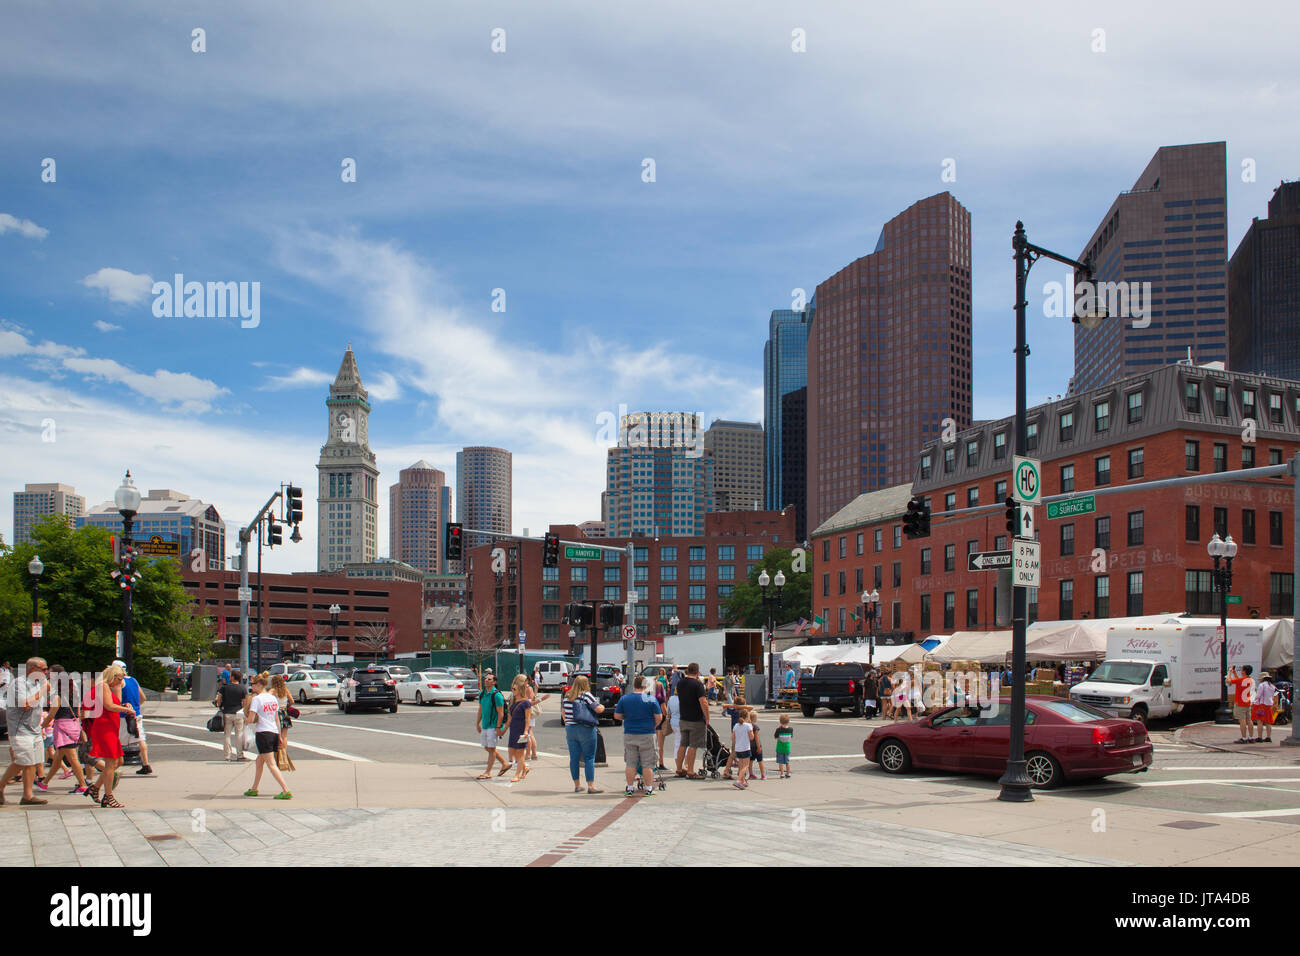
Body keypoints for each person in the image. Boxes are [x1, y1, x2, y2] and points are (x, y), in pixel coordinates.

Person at [1, 658, 51, 806]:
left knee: (33, 762)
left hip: (34, 729)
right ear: (32, 669)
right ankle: (1, 786)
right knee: (23, 761)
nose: (46, 672)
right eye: (43, 669)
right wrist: (43, 690)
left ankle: (27, 795)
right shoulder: (19, 683)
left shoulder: (37, 684)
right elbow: (25, 704)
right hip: (20, 729)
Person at [87, 663, 134, 808]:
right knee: (110, 763)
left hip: (110, 727)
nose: (121, 683)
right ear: (112, 676)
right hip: (104, 727)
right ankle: (108, 796)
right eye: (119, 679)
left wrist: (124, 705)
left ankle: (95, 788)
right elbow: (109, 706)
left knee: (117, 761)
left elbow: (116, 703)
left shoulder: (109, 687)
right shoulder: (103, 686)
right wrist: (128, 711)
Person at [39, 665, 90, 794]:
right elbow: (77, 711)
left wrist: (41, 727)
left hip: (63, 728)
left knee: (73, 758)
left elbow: (51, 715)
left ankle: (83, 785)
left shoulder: (58, 697)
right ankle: (44, 783)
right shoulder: (72, 695)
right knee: (58, 757)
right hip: (73, 725)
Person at [242, 675, 292, 799]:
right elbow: (276, 718)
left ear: (259, 685)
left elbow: (251, 718)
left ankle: (286, 790)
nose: (251, 686)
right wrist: (279, 735)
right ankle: (254, 788)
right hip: (274, 732)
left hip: (263, 733)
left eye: (253, 684)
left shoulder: (257, 699)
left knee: (271, 764)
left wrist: (244, 719)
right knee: (259, 761)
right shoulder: (272, 698)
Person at [613, 676, 661, 796]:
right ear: (645, 686)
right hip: (647, 733)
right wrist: (653, 726)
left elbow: (617, 716)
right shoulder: (651, 699)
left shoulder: (624, 699)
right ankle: (648, 788)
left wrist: (627, 718)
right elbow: (659, 717)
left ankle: (629, 787)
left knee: (631, 763)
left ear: (634, 685)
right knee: (648, 763)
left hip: (630, 733)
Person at [562, 675, 604, 793]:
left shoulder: (567, 696)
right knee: (589, 758)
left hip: (571, 729)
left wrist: (568, 723)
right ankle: (591, 786)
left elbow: (563, 713)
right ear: (586, 684)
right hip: (585, 729)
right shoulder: (586, 695)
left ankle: (577, 785)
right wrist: (602, 706)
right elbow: (598, 709)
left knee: (574, 758)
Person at [114, 659, 153, 776]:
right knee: (140, 739)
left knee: (118, 740)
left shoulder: (119, 682)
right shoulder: (133, 680)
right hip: (136, 714)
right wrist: (136, 706)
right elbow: (143, 698)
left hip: (123, 715)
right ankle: (145, 764)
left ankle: (113, 764)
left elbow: (118, 700)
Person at [674, 662, 709, 779]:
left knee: (683, 744)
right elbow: (703, 702)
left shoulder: (680, 683)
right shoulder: (698, 685)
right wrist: (707, 717)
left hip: (683, 717)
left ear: (687, 671)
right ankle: (690, 770)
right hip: (696, 719)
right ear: (698, 672)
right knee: (693, 745)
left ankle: (679, 769)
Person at [475, 673, 510, 779]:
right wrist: (477, 723)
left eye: (489, 679)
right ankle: (504, 763)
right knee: (487, 747)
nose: (486, 680)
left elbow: (501, 713)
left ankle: (488, 772)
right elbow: (480, 709)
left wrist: (499, 727)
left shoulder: (497, 695)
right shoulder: (482, 694)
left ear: (494, 682)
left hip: (493, 726)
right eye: (485, 678)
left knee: (491, 748)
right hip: (485, 725)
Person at [215, 670, 249, 760]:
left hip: (227, 712)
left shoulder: (225, 687)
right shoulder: (242, 688)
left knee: (227, 735)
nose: (229, 677)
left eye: (230, 676)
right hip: (238, 713)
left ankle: (227, 755)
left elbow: (218, 698)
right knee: (239, 734)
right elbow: (245, 702)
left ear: (233, 677)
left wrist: (220, 706)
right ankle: (240, 754)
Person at [505, 674, 532, 783]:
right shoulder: (513, 702)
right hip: (513, 729)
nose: (512, 690)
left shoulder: (525, 703)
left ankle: (517, 774)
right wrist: (503, 729)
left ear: (520, 689)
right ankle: (524, 768)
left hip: (521, 730)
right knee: (513, 752)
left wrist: (526, 730)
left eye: (514, 689)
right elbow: (509, 718)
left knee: (520, 753)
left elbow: (527, 718)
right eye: (512, 688)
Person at [270, 674, 295, 771]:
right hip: (284, 713)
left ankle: (277, 755)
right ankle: (283, 754)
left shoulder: (272, 691)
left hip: (275, 714)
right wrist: (286, 704)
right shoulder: (286, 690)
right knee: (284, 736)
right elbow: (292, 701)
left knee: (276, 735)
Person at [1227, 665, 1255, 744]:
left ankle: (1244, 738)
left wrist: (1230, 673)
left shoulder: (1241, 680)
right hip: (1247, 702)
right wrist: (1235, 673)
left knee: (1242, 720)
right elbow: (1239, 680)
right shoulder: (1250, 680)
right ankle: (1251, 737)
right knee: (1249, 720)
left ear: (1244, 671)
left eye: (1242, 670)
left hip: (1240, 702)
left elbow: (1228, 681)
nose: (1241, 671)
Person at [730, 708, 754, 790]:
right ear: (747, 717)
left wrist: (736, 742)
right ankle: (739, 780)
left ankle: (743, 780)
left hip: (738, 748)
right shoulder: (748, 725)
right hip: (745, 747)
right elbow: (751, 737)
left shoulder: (736, 725)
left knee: (740, 764)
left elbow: (732, 737)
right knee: (746, 765)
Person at [1252, 671, 1277, 744]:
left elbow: (1258, 696)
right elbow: (1274, 695)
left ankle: (1260, 737)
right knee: (1268, 721)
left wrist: (1254, 700)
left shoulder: (1262, 685)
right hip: (1269, 705)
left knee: (1260, 721)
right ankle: (1268, 737)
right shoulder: (1272, 686)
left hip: (1261, 705)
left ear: (1262, 679)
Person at [653, 671, 670, 769]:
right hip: (660, 721)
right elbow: (664, 711)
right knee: (660, 745)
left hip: (653, 720)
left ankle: (653, 762)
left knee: (653, 743)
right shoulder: (660, 699)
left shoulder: (650, 697)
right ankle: (661, 763)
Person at [747, 707, 766, 780]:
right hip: (756, 746)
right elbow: (756, 738)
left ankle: (751, 774)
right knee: (760, 761)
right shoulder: (755, 727)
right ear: (754, 718)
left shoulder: (748, 726)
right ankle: (763, 774)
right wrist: (759, 747)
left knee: (750, 761)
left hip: (750, 746)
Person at [774, 713, 794, 778]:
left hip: (780, 748)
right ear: (788, 721)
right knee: (787, 761)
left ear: (780, 721)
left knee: (781, 762)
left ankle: (782, 773)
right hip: (787, 747)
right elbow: (791, 736)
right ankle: (788, 773)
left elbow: (776, 737)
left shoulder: (778, 730)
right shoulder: (791, 729)